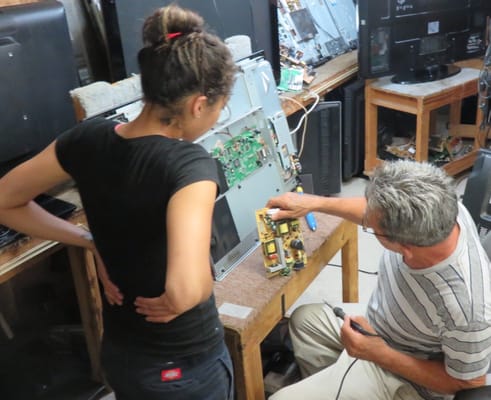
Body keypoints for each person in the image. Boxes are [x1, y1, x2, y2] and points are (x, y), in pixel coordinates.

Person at [0, 4, 237, 400]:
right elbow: (182, 291)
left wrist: (89, 241)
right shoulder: (191, 166)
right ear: (198, 104)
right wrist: (190, 292)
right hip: (184, 366)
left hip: (124, 356)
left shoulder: (87, 137)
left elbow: (6, 198)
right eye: (218, 107)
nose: (216, 116)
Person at [266, 160, 491, 400]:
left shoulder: (467, 311)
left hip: (407, 380)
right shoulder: (442, 208)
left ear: (405, 248)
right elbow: (374, 211)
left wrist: (378, 353)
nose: (368, 223)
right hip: (384, 328)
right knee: (304, 322)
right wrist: (313, 203)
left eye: (374, 229)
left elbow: (467, 382)